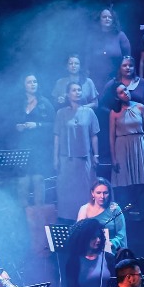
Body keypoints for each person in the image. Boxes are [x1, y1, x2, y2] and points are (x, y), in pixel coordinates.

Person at [5, 72, 54, 207]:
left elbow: (54, 125)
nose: (33, 84)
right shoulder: (18, 104)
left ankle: (39, 218)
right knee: (23, 182)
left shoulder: (44, 103)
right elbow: (8, 123)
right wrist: (17, 127)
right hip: (22, 147)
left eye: (35, 82)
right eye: (29, 82)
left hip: (39, 148)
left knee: (38, 180)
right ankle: (25, 219)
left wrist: (37, 125)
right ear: (23, 85)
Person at [53, 81, 100, 218]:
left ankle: (85, 217)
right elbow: (57, 136)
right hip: (66, 159)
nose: (77, 92)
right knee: (66, 190)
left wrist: (96, 155)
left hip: (84, 159)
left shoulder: (89, 112)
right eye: (73, 90)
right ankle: (67, 219)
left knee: (84, 190)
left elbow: (94, 135)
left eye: (79, 90)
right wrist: (55, 158)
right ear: (68, 94)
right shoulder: (61, 113)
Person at [108, 81, 144, 211]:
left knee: (141, 182)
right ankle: (125, 217)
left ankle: (143, 215)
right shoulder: (114, 112)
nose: (125, 93)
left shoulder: (140, 107)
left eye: (126, 90)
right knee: (124, 183)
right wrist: (113, 158)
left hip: (139, 144)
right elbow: (111, 136)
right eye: (121, 92)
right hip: (122, 146)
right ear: (117, 97)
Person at [85, 7, 134, 103]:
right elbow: (87, 57)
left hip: (115, 78)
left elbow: (128, 59)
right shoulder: (92, 37)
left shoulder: (120, 36)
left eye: (110, 17)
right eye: (104, 17)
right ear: (100, 19)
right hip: (96, 78)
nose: (107, 19)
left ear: (113, 20)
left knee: (113, 104)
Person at [76, 178, 127, 254]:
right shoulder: (84, 209)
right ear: (92, 193)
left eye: (105, 193)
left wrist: (111, 243)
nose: (102, 196)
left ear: (109, 193)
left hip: (111, 252)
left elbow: (121, 234)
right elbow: (79, 234)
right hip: (90, 252)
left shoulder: (115, 209)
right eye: (98, 193)